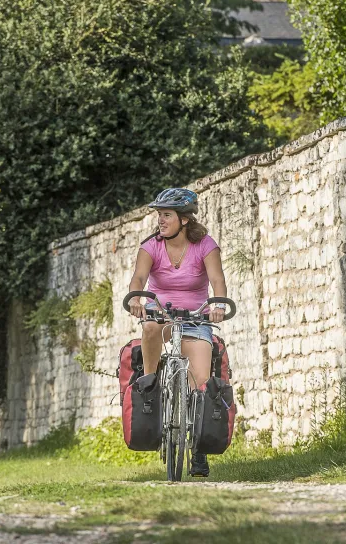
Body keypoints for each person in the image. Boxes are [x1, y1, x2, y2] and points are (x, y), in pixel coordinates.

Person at [126, 187, 228, 478]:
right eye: (159, 215)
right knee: (148, 328)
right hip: (160, 314)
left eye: (167, 215)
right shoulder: (151, 246)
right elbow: (139, 277)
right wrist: (136, 298)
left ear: (184, 219)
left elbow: (217, 280)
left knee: (201, 380)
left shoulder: (205, 245)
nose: (161, 220)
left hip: (196, 318)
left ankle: (199, 451)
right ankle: (149, 387)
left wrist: (218, 304)